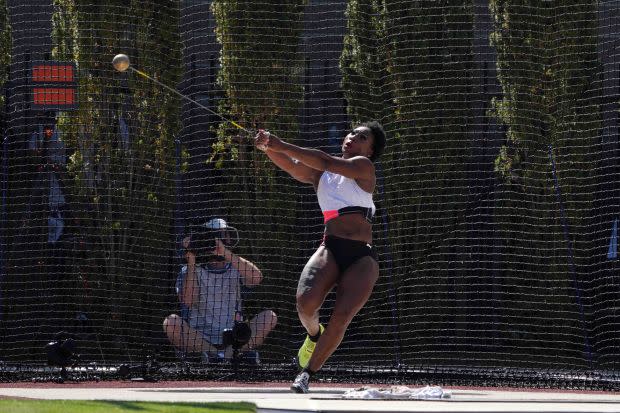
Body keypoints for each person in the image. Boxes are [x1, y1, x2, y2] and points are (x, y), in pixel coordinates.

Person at [254, 122, 386, 393]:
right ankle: (314, 334)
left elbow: (324, 160)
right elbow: (292, 165)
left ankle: (306, 374)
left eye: (361, 137)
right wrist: (268, 146)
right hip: (330, 247)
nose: (352, 138)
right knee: (305, 302)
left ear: (370, 151)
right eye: (352, 133)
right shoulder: (321, 175)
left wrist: (280, 144)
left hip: (361, 257)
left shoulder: (363, 167)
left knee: (342, 316)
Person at [163, 218, 278, 364]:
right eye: (215, 236)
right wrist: (191, 258)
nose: (220, 240)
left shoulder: (237, 266)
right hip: (199, 338)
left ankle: (227, 355)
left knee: (269, 317)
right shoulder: (190, 270)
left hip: (234, 336)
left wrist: (225, 253)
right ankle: (214, 355)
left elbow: (257, 278)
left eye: (224, 235)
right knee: (171, 322)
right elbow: (188, 301)